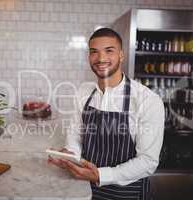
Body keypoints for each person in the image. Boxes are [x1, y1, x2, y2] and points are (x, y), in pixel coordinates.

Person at [48, 28, 164, 200]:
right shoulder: (83, 92)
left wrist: (100, 175)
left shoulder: (147, 100)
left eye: (109, 51)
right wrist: (69, 156)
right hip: (86, 191)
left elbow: (147, 162)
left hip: (128, 194)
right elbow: (76, 136)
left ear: (121, 55)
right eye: (94, 52)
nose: (101, 59)